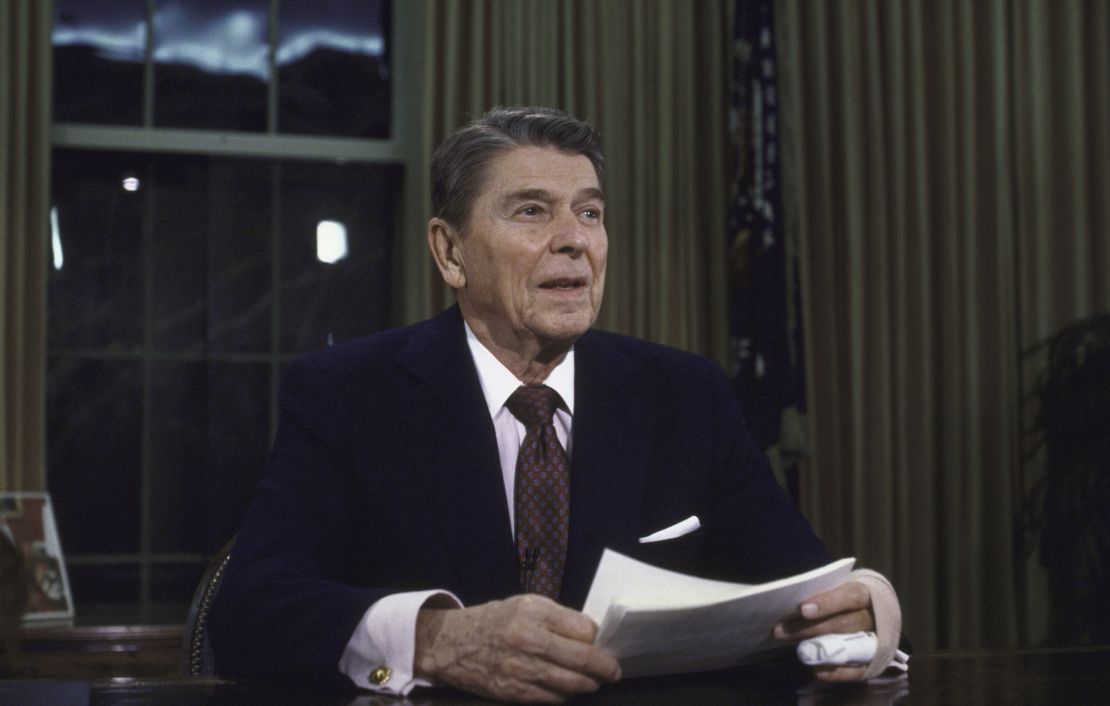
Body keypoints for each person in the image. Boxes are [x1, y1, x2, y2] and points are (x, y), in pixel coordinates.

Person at [208, 106, 902, 703]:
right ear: (451, 254)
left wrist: (863, 610)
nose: (574, 238)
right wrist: (438, 640)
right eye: (532, 210)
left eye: (590, 212)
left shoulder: (686, 394)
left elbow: (809, 586)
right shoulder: (347, 392)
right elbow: (251, 612)